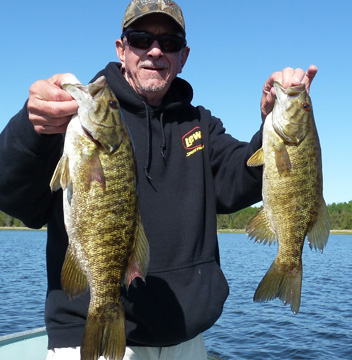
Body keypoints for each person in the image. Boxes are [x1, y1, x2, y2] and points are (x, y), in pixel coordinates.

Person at [0, 0, 317, 359]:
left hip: (186, 343)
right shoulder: (74, 123)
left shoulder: (200, 125)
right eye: (140, 38)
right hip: (89, 338)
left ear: (183, 56)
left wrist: (275, 125)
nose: (155, 51)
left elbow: (239, 179)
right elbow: (15, 199)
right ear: (122, 49)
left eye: (169, 43)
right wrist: (31, 129)